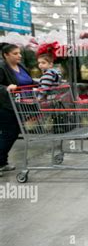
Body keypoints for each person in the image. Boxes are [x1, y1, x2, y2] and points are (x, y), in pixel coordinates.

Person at [0, 43, 34, 175]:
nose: (19, 56)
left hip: (20, 105)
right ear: (6, 55)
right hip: (5, 106)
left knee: (12, 134)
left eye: (19, 53)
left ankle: (2, 162)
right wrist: (6, 88)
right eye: (15, 53)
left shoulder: (20, 66)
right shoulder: (2, 67)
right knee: (9, 134)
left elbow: (27, 82)